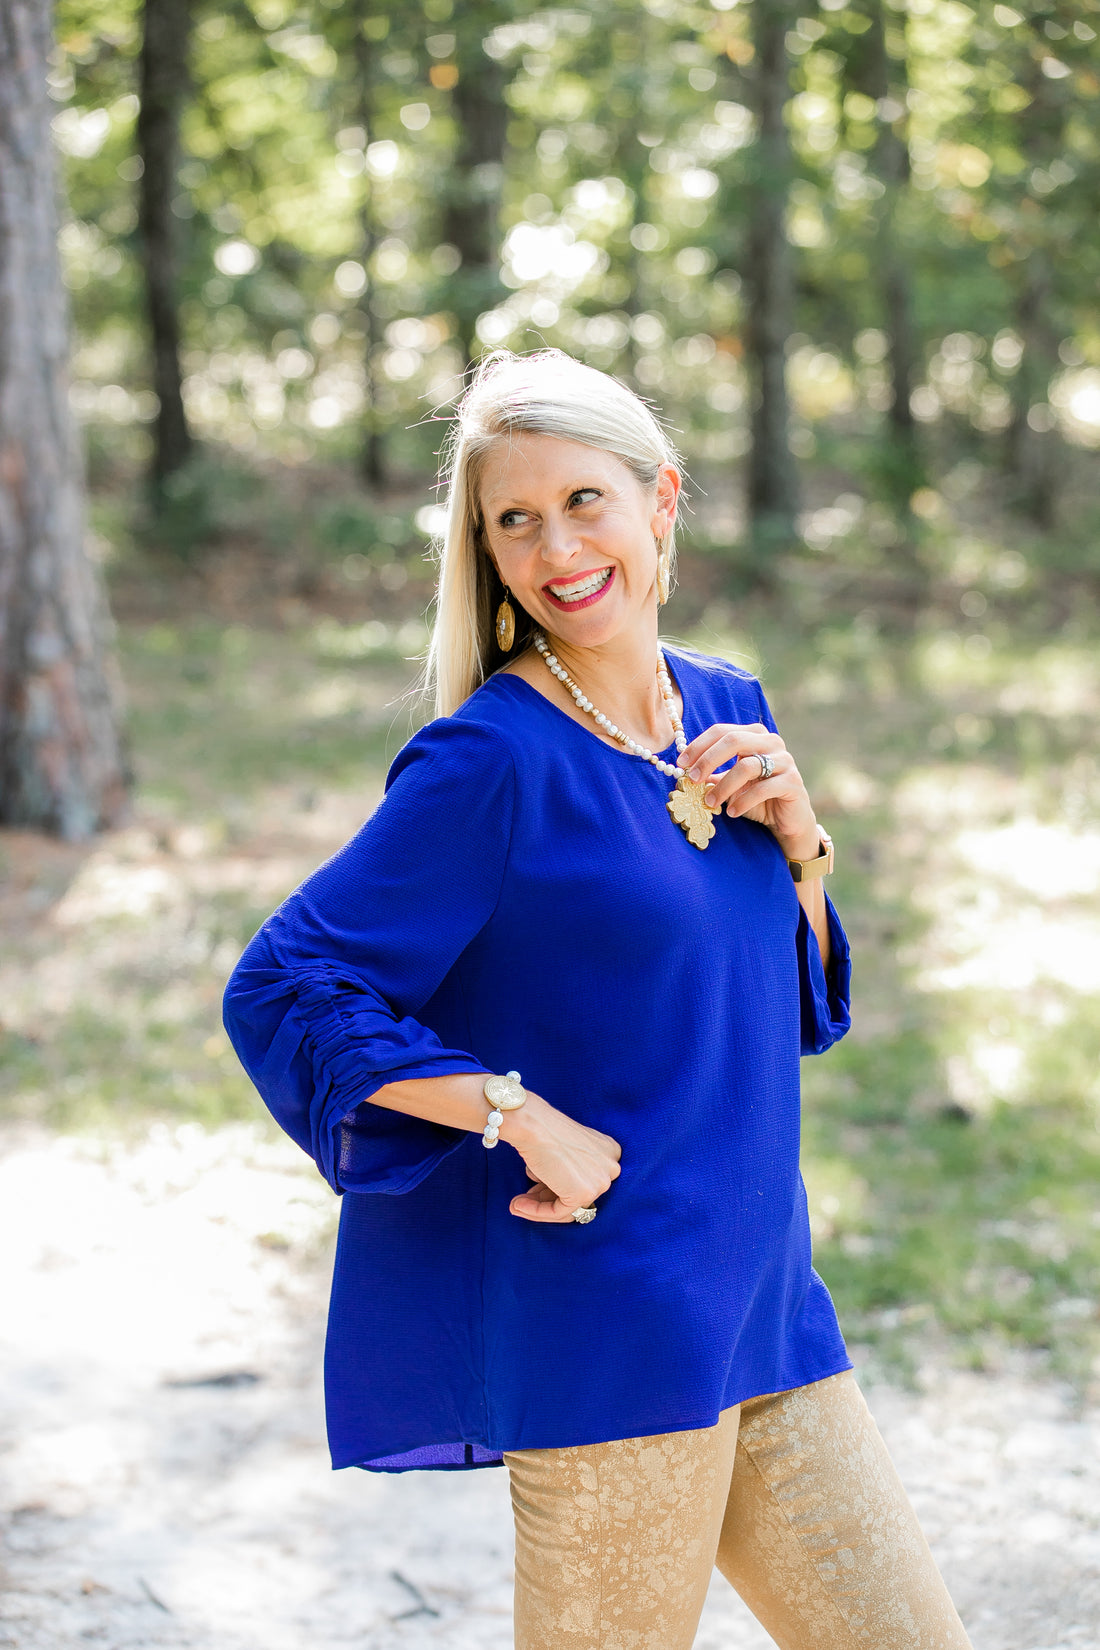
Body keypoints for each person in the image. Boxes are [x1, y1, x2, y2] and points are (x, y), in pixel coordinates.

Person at [222, 348, 973, 1649]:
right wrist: (514, 1111)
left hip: (765, 1308)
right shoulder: (492, 761)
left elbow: (773, 1008)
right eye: (514, 519)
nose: (556, 546)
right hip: (612, 1332)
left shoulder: (730, 712)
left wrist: (802, 844)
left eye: (584, 501)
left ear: (660, 501)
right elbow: (284, 981)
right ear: (489, 552)